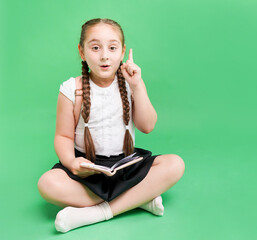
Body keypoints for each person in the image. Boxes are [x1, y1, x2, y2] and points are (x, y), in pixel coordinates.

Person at [37, 18, 185, 233]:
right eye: (95, 48)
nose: (105, 55)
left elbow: (147, 126)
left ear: (122, 51)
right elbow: (63, 137)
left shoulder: (130, 83)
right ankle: (137, 199)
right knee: (47, 184)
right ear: (82, 51)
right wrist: (71, 163)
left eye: (112, 48)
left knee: (175, 164)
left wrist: (137, 86)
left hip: (126, 166)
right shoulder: (71, 89)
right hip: (88, 169)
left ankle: (98, 213)